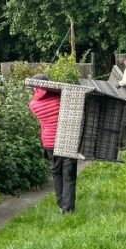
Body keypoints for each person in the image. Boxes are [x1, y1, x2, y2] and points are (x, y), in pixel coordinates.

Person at [29, 73, 77, 214]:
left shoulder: (33, 104)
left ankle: (61, 204)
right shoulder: (60, 99)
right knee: (69, 174)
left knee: (56, 173)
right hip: (67, 139)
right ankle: (68, 209)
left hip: (49, 142)